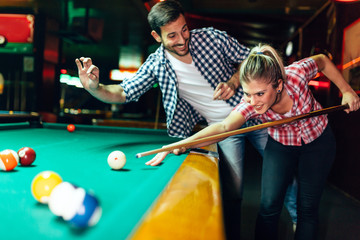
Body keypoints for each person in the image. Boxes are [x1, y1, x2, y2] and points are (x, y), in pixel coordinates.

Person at [75, 0, 295, 238]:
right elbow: (122, 92)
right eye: (172, 35)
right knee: (233, 193)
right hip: (222, 130)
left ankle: (298, 219)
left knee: (285, 173)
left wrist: (233, 82)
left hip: (255, 113)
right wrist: (95, 88)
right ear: (156, 36)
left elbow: (248, 58)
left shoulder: (212, 38)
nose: (182, 39)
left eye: (184, 29)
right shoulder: (156, 65)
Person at [148, 44, 360, 240]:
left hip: (317, 142)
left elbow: (322, 60)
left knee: (307, 209)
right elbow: (223, 127)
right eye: (248, 94)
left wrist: (347, 90)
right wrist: (180, 143)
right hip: (281, 145)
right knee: (268, 206)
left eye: (260, 93)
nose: (253, 101)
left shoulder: (296, 74)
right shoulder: (250, 104)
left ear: (278, 85)